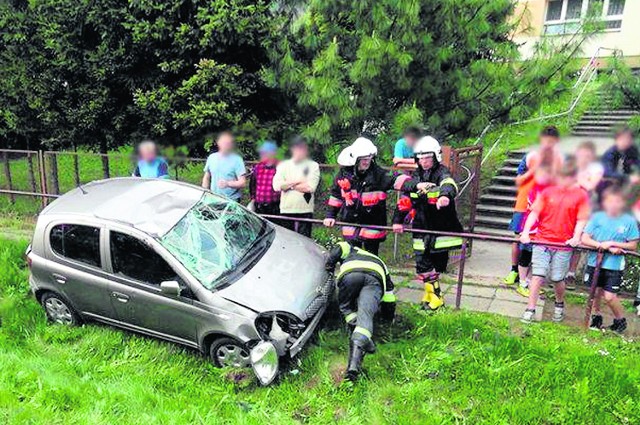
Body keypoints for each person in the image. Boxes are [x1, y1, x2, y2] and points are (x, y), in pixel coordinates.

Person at [392, 136, 463, 311]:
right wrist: (397, 221)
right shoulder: (416, 177)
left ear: (435, 157)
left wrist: (445, 196)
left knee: (435, 266)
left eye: (427, 158)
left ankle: (431, 296)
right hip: (421, 227)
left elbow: (448, 183)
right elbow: (405, 201)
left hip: (441, 227)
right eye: (421, 158)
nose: (424, 161)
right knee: (422, 265)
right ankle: (436, 296)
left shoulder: (442, 172)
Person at [520, 158, 590, 324]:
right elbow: (534, 213)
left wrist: (576, 237)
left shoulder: (581, 195)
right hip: (542, 240)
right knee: (537, 275)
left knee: (558, 278)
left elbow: (581, 219)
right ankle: (530, 309)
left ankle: (559, 303)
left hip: (563, 244)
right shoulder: (547, 192)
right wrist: (525, 232)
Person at [324, 136, 417, 255]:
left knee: (371, 258)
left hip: (373, 225)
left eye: (369, 158)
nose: (367, 162)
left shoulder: (379, 175)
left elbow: (397, 179)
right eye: (363, 159)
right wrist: (330, 215)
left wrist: (417, 185)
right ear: (355, 160)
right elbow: (336, 196)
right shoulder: (344, 174)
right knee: (351, 256)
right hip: (350, 224)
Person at [325, 241, 396, 381]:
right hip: (374, 279)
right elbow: (389, 298)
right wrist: (388, 319)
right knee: (366, 318)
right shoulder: (381, 262)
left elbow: (340, 247)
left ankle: (355, 330)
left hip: (350, 275)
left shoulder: (352, 249)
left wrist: (329, 265)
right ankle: (354, 365)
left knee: (346, 307)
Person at [504, 126, 564, 286]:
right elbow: (518, 181)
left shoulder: (558, 159)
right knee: (518, 238)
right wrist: (533, 171)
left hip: (545, 207)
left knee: (536, 241)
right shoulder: (530, 157)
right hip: (524, 203)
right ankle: (513, 270)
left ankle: (528, 277)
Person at [582, 186, 639, 334]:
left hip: (614, 265)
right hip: (595, 261)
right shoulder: (597, 217)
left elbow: (633, 245)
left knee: (609, 296)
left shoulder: (629, 221)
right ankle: (596, 317)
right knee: (595, 292)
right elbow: (585, 238)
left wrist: (613, 244)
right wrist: (601, 245)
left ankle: (620, 320)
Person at [565, 141, 604, 289]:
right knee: (564, 236)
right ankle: (558, 273)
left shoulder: (596, 168)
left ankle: (571, 273)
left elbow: (591, 186)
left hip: (586, 207)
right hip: (569, 205)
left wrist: (579, 179)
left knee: (579, 240)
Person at [515, 164, 554, 298]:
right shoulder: (533, 188)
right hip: (531, 228)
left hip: (544, 228)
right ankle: (522, 282)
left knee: (537, 258)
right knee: (526, 255)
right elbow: (535, 207)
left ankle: (531, 282)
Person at [272, 136, 320, 237]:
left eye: (303, 147)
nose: (300, 150)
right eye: (297, 147)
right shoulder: (283, 165)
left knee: (304, 242)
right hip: (286, 209)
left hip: (305, 210)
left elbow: (310, 188)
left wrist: (287, 185)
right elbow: (276, 186)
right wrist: (298, 182)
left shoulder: (313, 165)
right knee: (287, 240)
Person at [202, 131, 246, 202]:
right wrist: (205, 192)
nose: (225, 145)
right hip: (213, 199)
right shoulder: (211, 157)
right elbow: (206, 177)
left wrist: (228, 184)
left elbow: (242, 182)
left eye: (228, 143)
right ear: (218, 142)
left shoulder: (237, 159)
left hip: (231, 200)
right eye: (223, 142)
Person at [599, 126, 640, 197]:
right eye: (623, 138)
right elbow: (607, 172)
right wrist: (628, 177)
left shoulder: (632, 150)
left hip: (626, 181)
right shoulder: (610, 153)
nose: (626, 141)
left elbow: (637, 162)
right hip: (611, 182)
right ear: (617, 139)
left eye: (629, 138)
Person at [249, 140, 280, 216]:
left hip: (275, 206)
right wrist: (253, 199)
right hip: (260, 205)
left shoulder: (280, 167)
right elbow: (253, 184)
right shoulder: (258, 167)